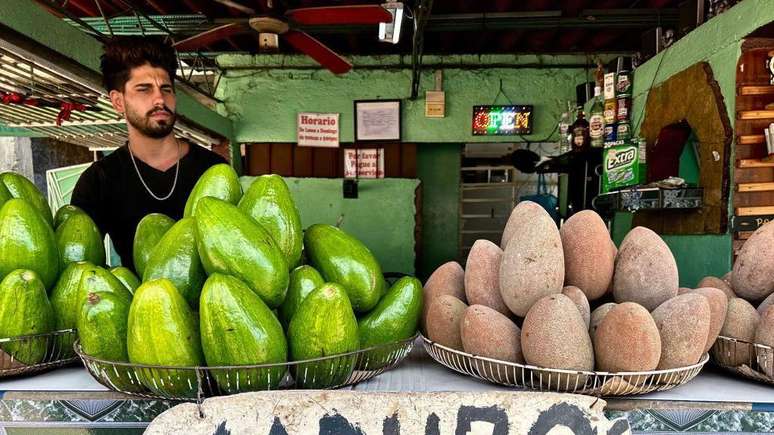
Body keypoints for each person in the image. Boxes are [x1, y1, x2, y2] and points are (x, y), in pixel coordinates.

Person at [71, 36, 227, 272]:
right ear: (118, 101)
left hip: (213, 305)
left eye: (166, 89)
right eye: (144, 89)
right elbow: (80, 266)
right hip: (135, 306)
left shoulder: (213, 169)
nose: (159, 99)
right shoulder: (98, 181)